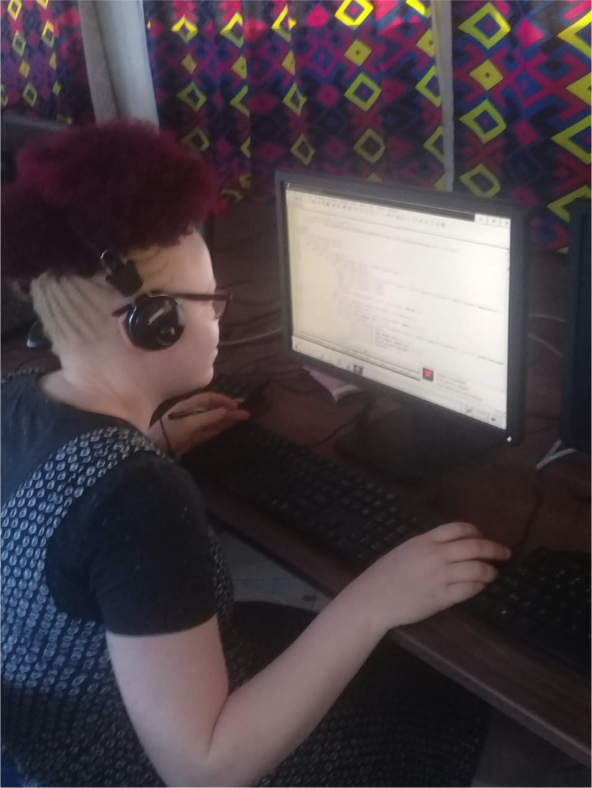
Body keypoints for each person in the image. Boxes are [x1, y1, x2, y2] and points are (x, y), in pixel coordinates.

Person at [0, 120, 512, 788]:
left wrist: (148, 443)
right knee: (473, 716)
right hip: (125, 763)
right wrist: (372, 599)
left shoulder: (17, 398)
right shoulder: (135, 497)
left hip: (50, 734)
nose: (221, 319)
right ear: (152, 324)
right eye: (209, 301)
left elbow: (56, 537)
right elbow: (204, 768)